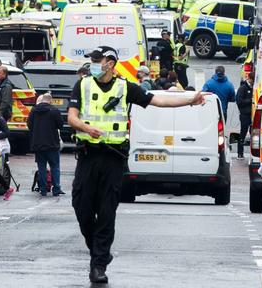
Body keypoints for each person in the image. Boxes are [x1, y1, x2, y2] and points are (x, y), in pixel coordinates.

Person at [67, 46, 208, 283]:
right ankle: (99, 251)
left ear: (110, 63)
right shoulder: (82, 85)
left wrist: (189, 100)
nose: (92, 64)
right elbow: (71, 116)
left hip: (113, 158)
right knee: (81, 207)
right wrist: (85, 128)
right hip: (88, 155)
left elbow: (158, 100)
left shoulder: (124, 88)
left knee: (106, 212)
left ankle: (98, 264)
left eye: (96, 60)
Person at [28, 93, 65, 197]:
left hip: (38, 144)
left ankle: (43, 189)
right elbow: (60, 125)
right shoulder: (54, 111)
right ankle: (56, 189)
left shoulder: (34, 110)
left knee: (41, 167)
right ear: (51, 101)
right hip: (52, 143)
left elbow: (29, 125)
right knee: (55, 167)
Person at [236, 72, 254, 159]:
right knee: (243, 133)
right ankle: (240, 153)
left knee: (254, 135)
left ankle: (254, 153)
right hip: (245, 115)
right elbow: (239, 102)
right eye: (252, 80)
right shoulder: (242, 88)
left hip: (253, 115)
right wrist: (250, 100)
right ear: (249, 78)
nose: (253, 83)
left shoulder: (255, 88)